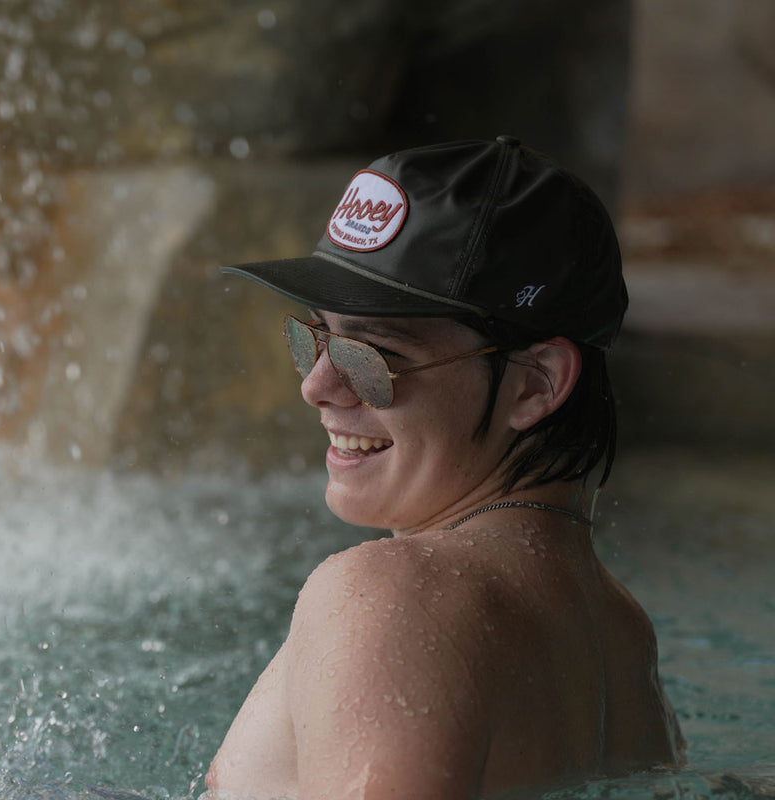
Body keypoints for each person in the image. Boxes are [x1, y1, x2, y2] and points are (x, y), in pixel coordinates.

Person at [204, 136, 684, 800]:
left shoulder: (389, 596)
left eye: (371, 356)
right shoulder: (619, 636)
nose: (318, 386)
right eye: (312, 338)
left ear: (535, 384)